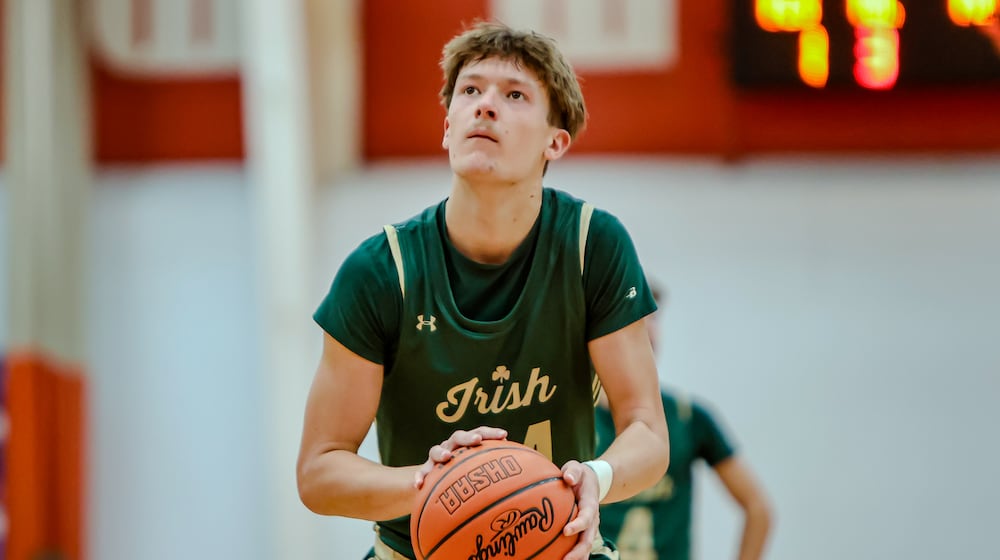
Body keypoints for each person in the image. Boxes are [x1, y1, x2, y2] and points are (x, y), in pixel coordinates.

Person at [297, 20, 670, 560]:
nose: (486, 105)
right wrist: (432, 485)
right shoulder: (382, 271)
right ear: (447, 127)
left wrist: (598, 476)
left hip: (558, 548)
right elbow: (318, 470)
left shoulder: (594, 245)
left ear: (555, 141)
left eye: (514, 95)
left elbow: (648, 431)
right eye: (470, 90)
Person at [595, 281, 773, 560]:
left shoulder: (688, 417)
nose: (648, 329)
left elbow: (758, 507)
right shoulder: (572, 420)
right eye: (634, 319)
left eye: (653, 318)